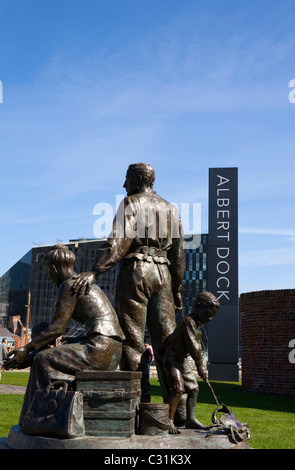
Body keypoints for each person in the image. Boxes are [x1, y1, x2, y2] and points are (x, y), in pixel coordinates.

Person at [71, 163, 186, 403]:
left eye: (127, 180)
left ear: (137, 180)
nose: (124, 186)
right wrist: (176, 289)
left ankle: (137, 405)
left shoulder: (131, 203)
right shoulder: (171, 209)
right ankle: (177, 411)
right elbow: (178, 256)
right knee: (167, 345)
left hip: (136, 272)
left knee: (133, 341)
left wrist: (94, 271)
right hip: (163, 275)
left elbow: (118, 242)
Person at [3, 244, 125, 428]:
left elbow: (56, 329)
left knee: (44, 359)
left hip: (100, 349)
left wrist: (26, 348)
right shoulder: (83, 283)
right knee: (43, 352)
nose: (50, 278)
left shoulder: (68, 285)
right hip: (109, 348)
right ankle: (42, 414)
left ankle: (39, 418)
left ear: (53, 268)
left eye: (48, 272)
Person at [162, 291, 220, 434]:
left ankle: (191, 420)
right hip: (172, 361)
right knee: (178, 389)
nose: (210, 318)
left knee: (193, 388)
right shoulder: (188, 322)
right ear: (198, 307)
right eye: (208, 314)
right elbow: (195, 347)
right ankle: (168, 421)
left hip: (181, 361)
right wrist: (200, 367)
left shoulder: (194, 324)